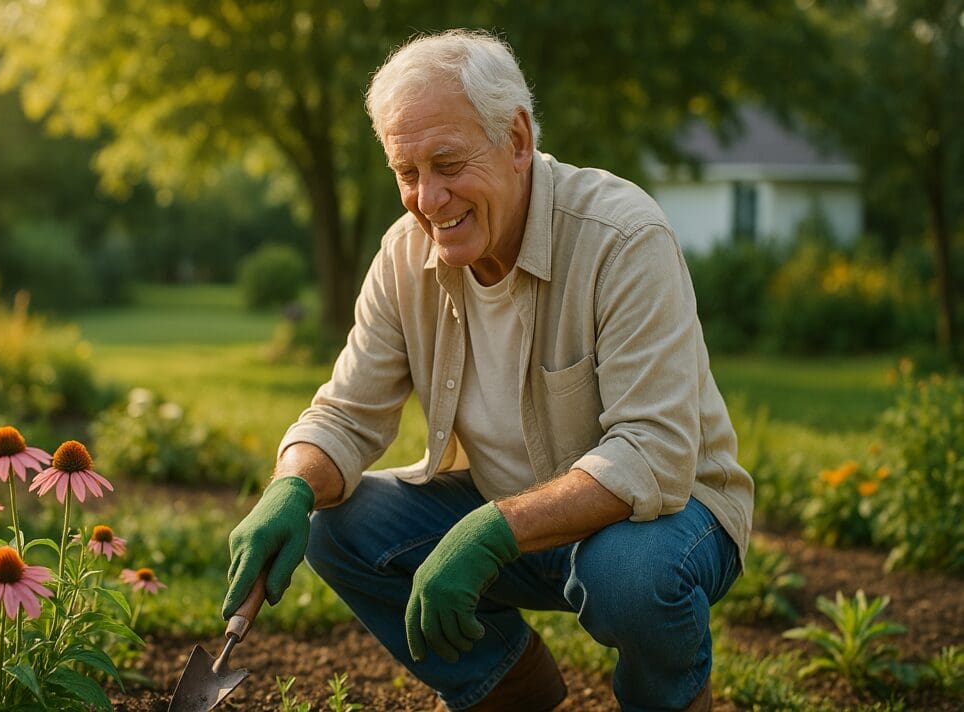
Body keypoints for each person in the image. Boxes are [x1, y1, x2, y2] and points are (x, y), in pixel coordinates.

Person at [224, 29, 753, 712]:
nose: (429, 199)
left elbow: (653, 454)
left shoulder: (622, 237)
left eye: (447, 163)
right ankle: (508, 687)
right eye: (406, 173)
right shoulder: (403, 255)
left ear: (518, 140)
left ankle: (671, 700)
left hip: (671, 517)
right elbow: (345, 415)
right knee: (336, 522)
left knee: (629, 575)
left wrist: (490, 530)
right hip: (513, 513)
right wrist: (291, 486)